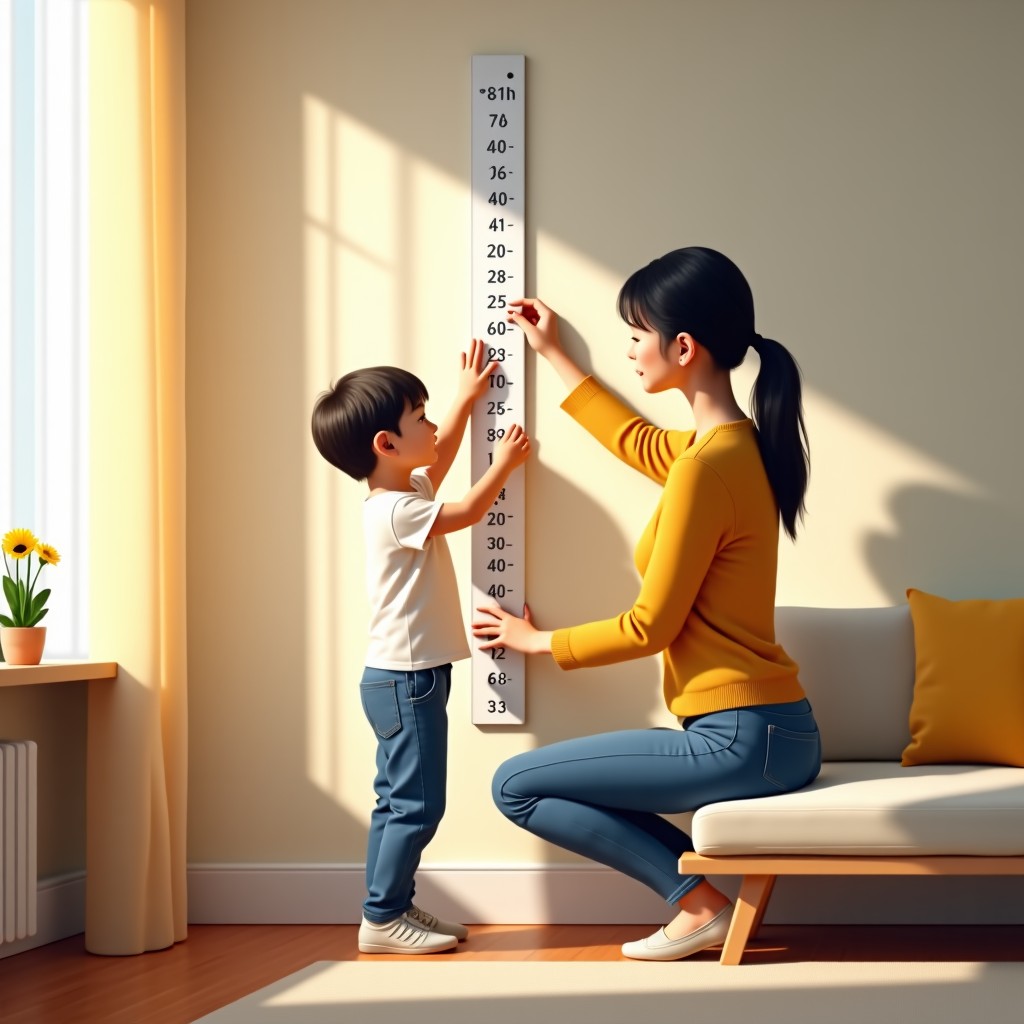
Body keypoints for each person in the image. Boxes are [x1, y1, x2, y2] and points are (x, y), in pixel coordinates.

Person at [473, 246, 821, 961]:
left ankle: (698, 905)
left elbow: (649, 627)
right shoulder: (734, 448)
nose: (630, 349)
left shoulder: (706, 467)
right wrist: (557, 355)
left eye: (637, 335)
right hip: (774, 732)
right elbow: (636, 441)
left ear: (683, 347)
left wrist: (537, 642)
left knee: (515, 786)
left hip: (739, 738)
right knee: (527, 785)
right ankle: (700, 904)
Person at [311, 339, 530, 954]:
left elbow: (442, 453)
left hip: (402, 678)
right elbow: (467, 511)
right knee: (418, 805)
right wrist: (504, 464)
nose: (432, 427)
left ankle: (392, 906)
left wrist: (463, 399)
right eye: (420, 417)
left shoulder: (400, 495)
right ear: (386, 443)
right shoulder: (396, 511)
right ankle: (383, 917)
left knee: (398, 802)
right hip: (408, 681)